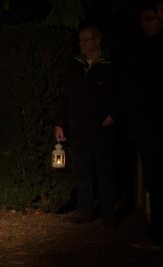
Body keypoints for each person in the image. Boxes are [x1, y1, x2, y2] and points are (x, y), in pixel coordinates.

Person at [55, 25, 119, 228]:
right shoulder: (75, 66)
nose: (81, 44)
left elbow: (121, 94)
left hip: (101, 128)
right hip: (78, 128)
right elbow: (66, 97)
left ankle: (108, 212)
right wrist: (60, 123)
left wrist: (112, 116)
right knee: (82, 171)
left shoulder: (109, 66)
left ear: (97, 41)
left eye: (86, 40)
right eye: (80, 40)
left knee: (105, 170)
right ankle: (84, 209)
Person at [124, 1, 163, 246]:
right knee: (154, 180)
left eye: (151, 19)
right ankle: (156, 229)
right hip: (147, 127)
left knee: (159, 179)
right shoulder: (142, 49)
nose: (145, 24)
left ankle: (158, 231)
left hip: (157, 127)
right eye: (143, 20)